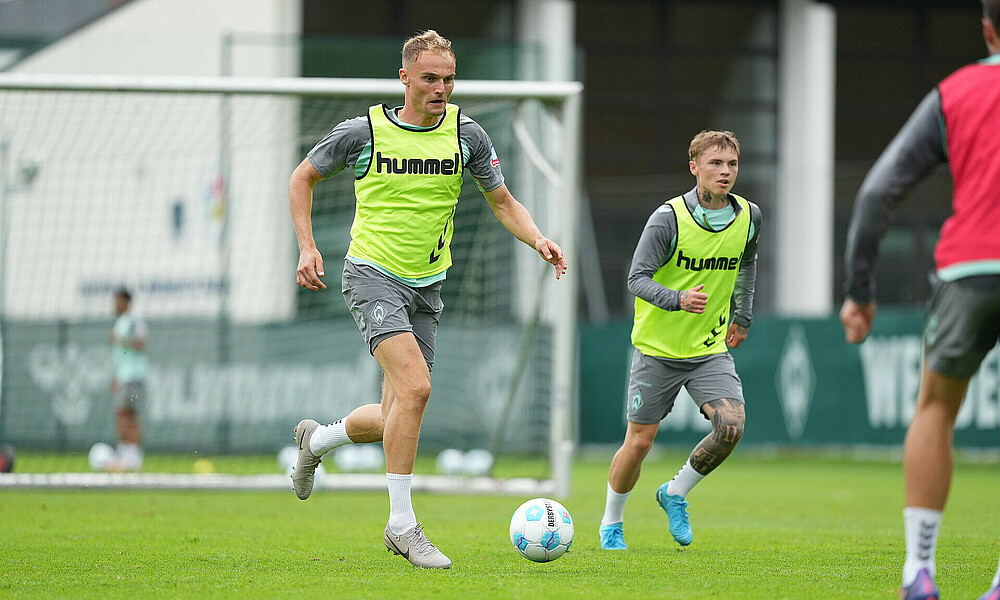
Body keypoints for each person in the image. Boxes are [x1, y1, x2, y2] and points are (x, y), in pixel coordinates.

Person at [287, 30, 566, 569]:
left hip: (427, 285)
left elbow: (502, 201)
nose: (441, 88)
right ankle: (401, 526)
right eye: (431, 78)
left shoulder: (468, 136)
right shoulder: (362, 132)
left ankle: (317, 440)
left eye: (449, 79)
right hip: (371, 275)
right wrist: (306, 246)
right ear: (405, 79)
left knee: (397, 410)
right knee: (417, 388)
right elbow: (303, 178)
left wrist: (538, 239)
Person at [840, 2, 1000, 598]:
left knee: (934, 409)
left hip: (968, 269)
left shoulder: (956, 92)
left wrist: (860, 292)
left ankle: (919, 572)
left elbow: (877, 194)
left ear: (987, 31)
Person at [599, 130, 762, 551]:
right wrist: (677, 299)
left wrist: (742, 314)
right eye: (715, 164)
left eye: (731, 165)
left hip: (708, 349)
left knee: (731, 427)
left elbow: (747, 263)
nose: (725, 172)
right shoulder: (668, 218)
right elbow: (635, 278)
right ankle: (611, 522)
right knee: (639, 443)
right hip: (657, 350)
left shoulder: (749, 216)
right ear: (694, 168)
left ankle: (674, 492)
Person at [107, 287, 148, 472]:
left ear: (125, 302)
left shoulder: (134, 320)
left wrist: (120, 339)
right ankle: (127, 455)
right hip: (123, 376)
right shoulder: (122, 321)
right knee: (124, 413)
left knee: (127, 414)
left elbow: (141, 343)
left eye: (116, 300)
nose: (113, 304)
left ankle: (132, 456)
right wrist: (115, 377)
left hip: (133, 375)